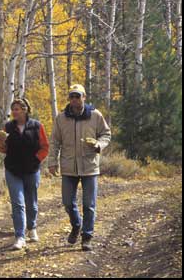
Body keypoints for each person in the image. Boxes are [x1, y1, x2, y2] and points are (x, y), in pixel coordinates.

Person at [48, 84, 111, 251]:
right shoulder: (61, 118)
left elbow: (106, 134)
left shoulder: (95, 115)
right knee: (68, 202)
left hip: (89, 166)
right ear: (69, 99)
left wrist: (99, 144)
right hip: (69, 166)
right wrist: (52, 161)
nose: (75, 99)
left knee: (89, 204)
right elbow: (54, 141)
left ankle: (87, 236)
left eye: (78, 96)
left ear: (84, 97)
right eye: (72, 96)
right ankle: (77, 225)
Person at [0, 98, 49, 250]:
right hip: (13, 170)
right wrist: (0, 144)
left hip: (31, 170)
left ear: (25, 110)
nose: (14, 112)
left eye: (18, 109)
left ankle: (32, 227)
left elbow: (45, 147)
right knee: (18, 203)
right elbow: (3, 149)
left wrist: (36, 160)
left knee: (31, 203)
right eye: (13, 109)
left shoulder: (37, 126)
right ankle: (20, 237)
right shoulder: (8, 127)